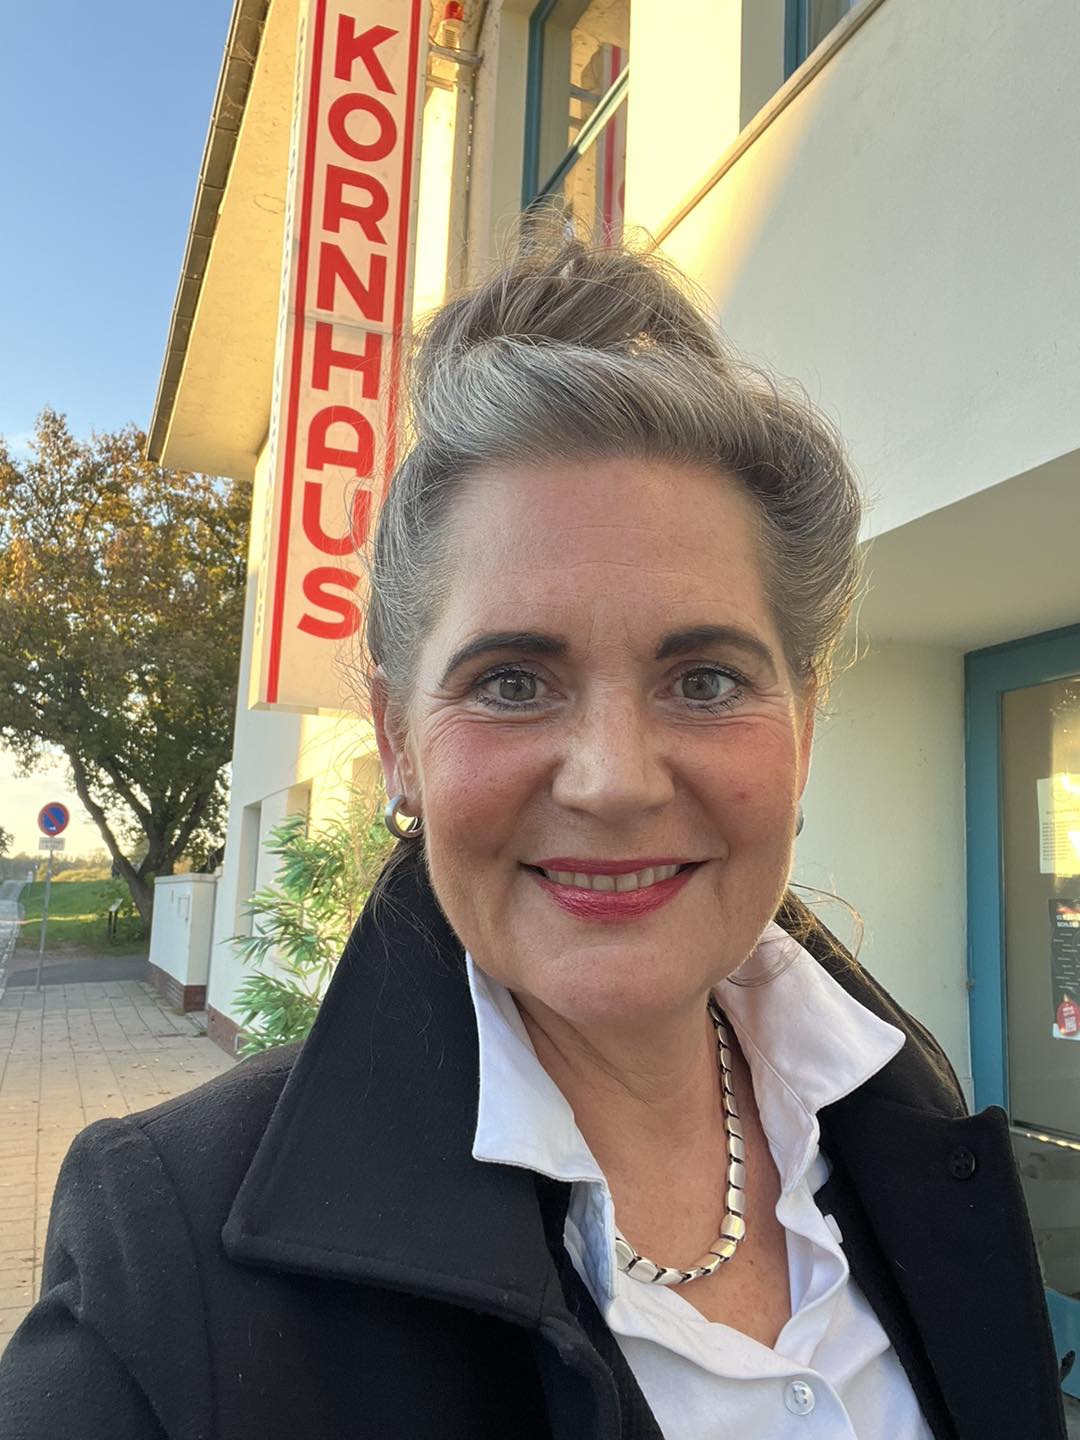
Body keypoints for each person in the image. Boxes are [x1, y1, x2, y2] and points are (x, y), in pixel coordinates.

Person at [0, 242, 1066, 1439]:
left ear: (804, 728)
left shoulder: (910, 1114)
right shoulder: (164, 1270)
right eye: (511, 681)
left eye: (707, 679)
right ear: (399, 739)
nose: (613, 782)